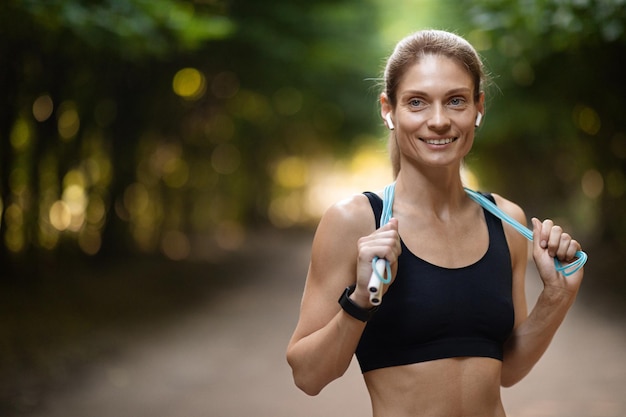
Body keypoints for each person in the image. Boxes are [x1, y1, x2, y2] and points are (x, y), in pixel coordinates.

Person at [285, 29, 585, 417]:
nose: (439, 120)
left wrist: (557, 297)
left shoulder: (507, 221)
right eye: (417, 103)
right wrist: (361, 299)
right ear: (388, 110)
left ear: (478, 107)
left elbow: (506, 368)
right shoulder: (357, 221)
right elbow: (307, 376)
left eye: (456, 101)